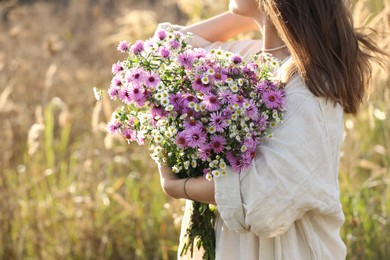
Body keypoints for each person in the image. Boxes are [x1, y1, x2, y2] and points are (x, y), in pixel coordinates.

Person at [155, 0, 386, 259]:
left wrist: (177, 187)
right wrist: (258, 15)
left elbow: (263, 200)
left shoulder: (309, 89)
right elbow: (164, 47)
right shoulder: (249, 58)